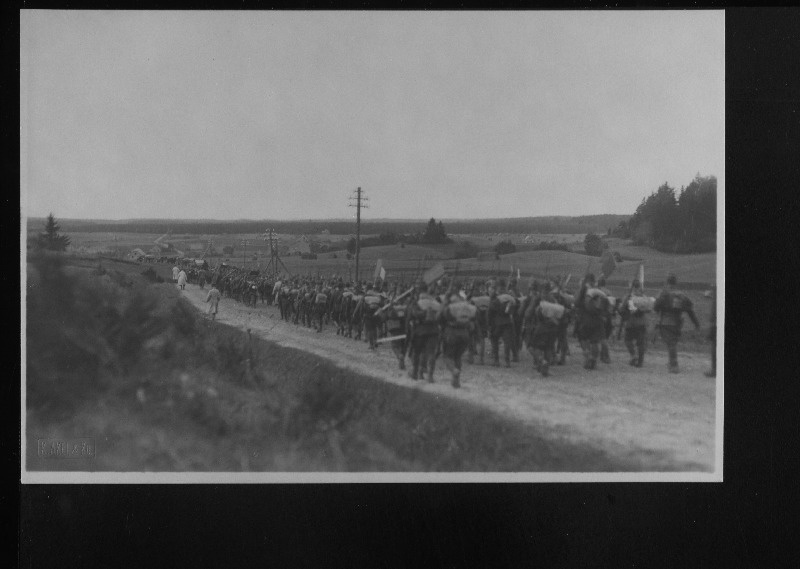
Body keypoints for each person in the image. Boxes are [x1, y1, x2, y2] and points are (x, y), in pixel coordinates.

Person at [654, 274, 700, 373]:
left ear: (667, 283)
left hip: (666, 322)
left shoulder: (664, 294)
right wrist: (696, 323)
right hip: (677, 323)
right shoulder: (682, 296)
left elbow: (655, 307)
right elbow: (690, 311)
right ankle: (672, 363)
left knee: (671, 344)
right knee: (672, 343)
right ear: (676, 283)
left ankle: (674, 365)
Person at [439, 286, 477, 388]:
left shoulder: (450, 305)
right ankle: (456, 381)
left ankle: (454, 371)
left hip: (451, 332)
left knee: (447, 357)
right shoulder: (466, 304)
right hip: (465, 333)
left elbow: (440, 317)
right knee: (458, 357)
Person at [407, 280, 442, 382]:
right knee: (431, 353)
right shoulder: (435, 302)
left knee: (417, 352)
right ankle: (430, 375)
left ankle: (416, 373)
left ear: (419, 291)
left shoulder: (417, 302)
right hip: (434, 331)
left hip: (420, 330)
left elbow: (413, 315)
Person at [575, 273, 607, 370]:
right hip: (597, 319)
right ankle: (593, 359)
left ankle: (587, 356)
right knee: (595, 341)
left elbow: (577, 303)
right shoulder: (598, 290)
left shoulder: (584, 289)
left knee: (583, 339)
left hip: (585, 319)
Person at [618, 279, 651, 367]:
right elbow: (649, 309)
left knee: (628, 340)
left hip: (631, 322)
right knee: (641, 343)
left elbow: (621, 309)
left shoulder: (629, 297)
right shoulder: (644, 297)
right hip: (642, 322)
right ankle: (640, 361)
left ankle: (634, 355)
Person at [488, 279, 518, 367]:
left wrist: (489, 324)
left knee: (494, 341)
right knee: (507, 342)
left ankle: (496, 360)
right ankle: (507, 361)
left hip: (497, 322)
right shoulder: (509, 295)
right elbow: (515, 306)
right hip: (508, 321)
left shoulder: (495, 297)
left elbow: (490, 310)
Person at [704, 284, 717, 378]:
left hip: (717, 323)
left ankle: (714, 370)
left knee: (715, 345)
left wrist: (711, 323)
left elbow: (714, 311)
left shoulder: (717, 296)